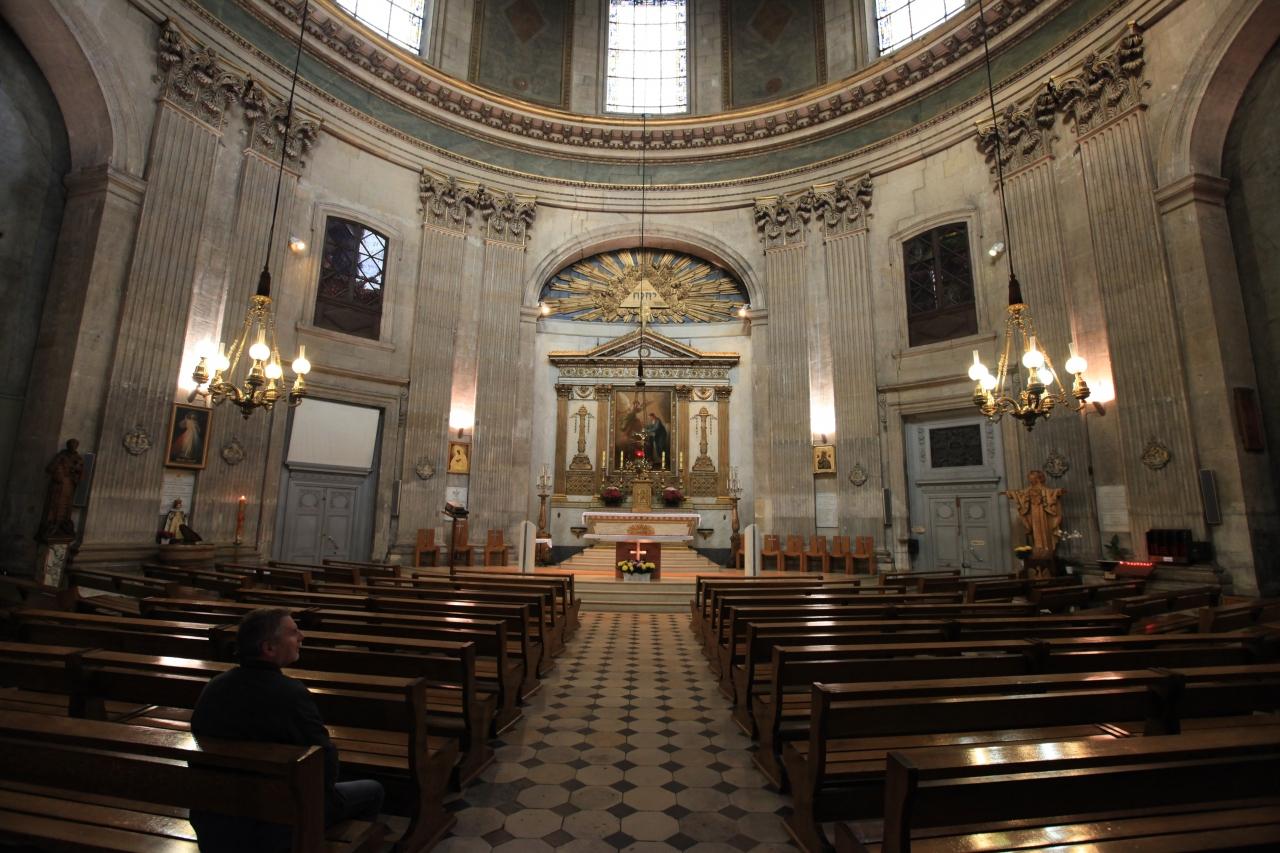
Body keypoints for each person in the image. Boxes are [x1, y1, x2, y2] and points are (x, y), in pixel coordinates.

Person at [190, 608, 384, 851]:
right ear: (269, 648)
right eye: (293, 633)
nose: (301, 636)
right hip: (276, 817)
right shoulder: (290, 693)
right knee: (373, 790)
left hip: (217, 816)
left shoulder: (215, 687)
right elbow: (325, 760)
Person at [1004, 469, 1065, 559]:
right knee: (1035, 531)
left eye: (1032, 478)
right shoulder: (1028, 490)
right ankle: (1038, 547)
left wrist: (1058, 492)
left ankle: (1046, 549)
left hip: (1043, 514)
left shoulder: (1045, 490)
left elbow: (1052, 493)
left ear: (1037, 479)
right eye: (1030, 479)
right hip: (1033, 514)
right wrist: (1010, 493)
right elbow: (1019, 493)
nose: (1030, 480)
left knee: (1044, 530)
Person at [39, 438, 83, 541]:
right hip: (60, 485)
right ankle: (53, 524)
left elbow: (80, 472)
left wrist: (77, 471)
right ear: (68, 446)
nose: (73, 447)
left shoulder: (78, 458)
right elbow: (50, 468)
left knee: (67, 505)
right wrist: (60, 474)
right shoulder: (61, 456)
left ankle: (63, 524)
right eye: (72, 444)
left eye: (75, 445)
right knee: (56, 504)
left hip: (70, 485)